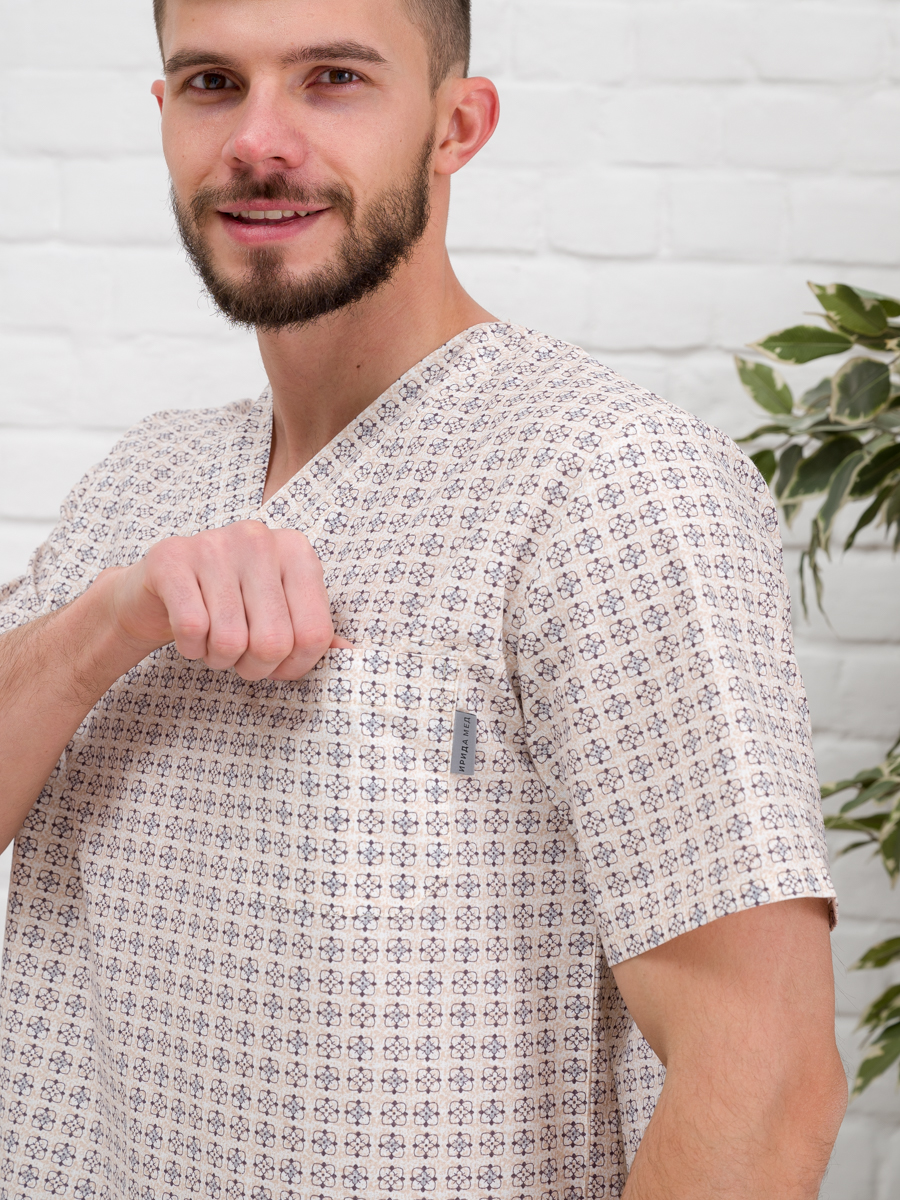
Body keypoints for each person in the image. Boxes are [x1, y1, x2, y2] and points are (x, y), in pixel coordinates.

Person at [0, 1, 847, 1197]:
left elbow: (763, 1082)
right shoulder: (142, 480)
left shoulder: (610, 483)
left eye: (333, 78)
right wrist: (111, 622)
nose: (257, 140)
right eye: (211, 84)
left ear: (458, 125)